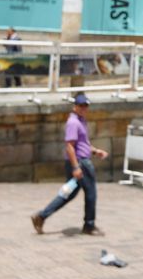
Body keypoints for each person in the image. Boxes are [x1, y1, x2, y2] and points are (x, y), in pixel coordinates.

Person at [31, 93, 108, 236]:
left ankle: (41, 216)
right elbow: (70, 146)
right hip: (81, 162)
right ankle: (89, 225)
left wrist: (96, 151)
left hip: (81, 160)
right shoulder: (73, 122)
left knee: (69, 193)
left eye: (86, 105)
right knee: (91, 193)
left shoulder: (81, 120)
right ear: (75, 106)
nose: (84, 108)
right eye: (81, 106)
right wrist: (76, 167)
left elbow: (83, 144)